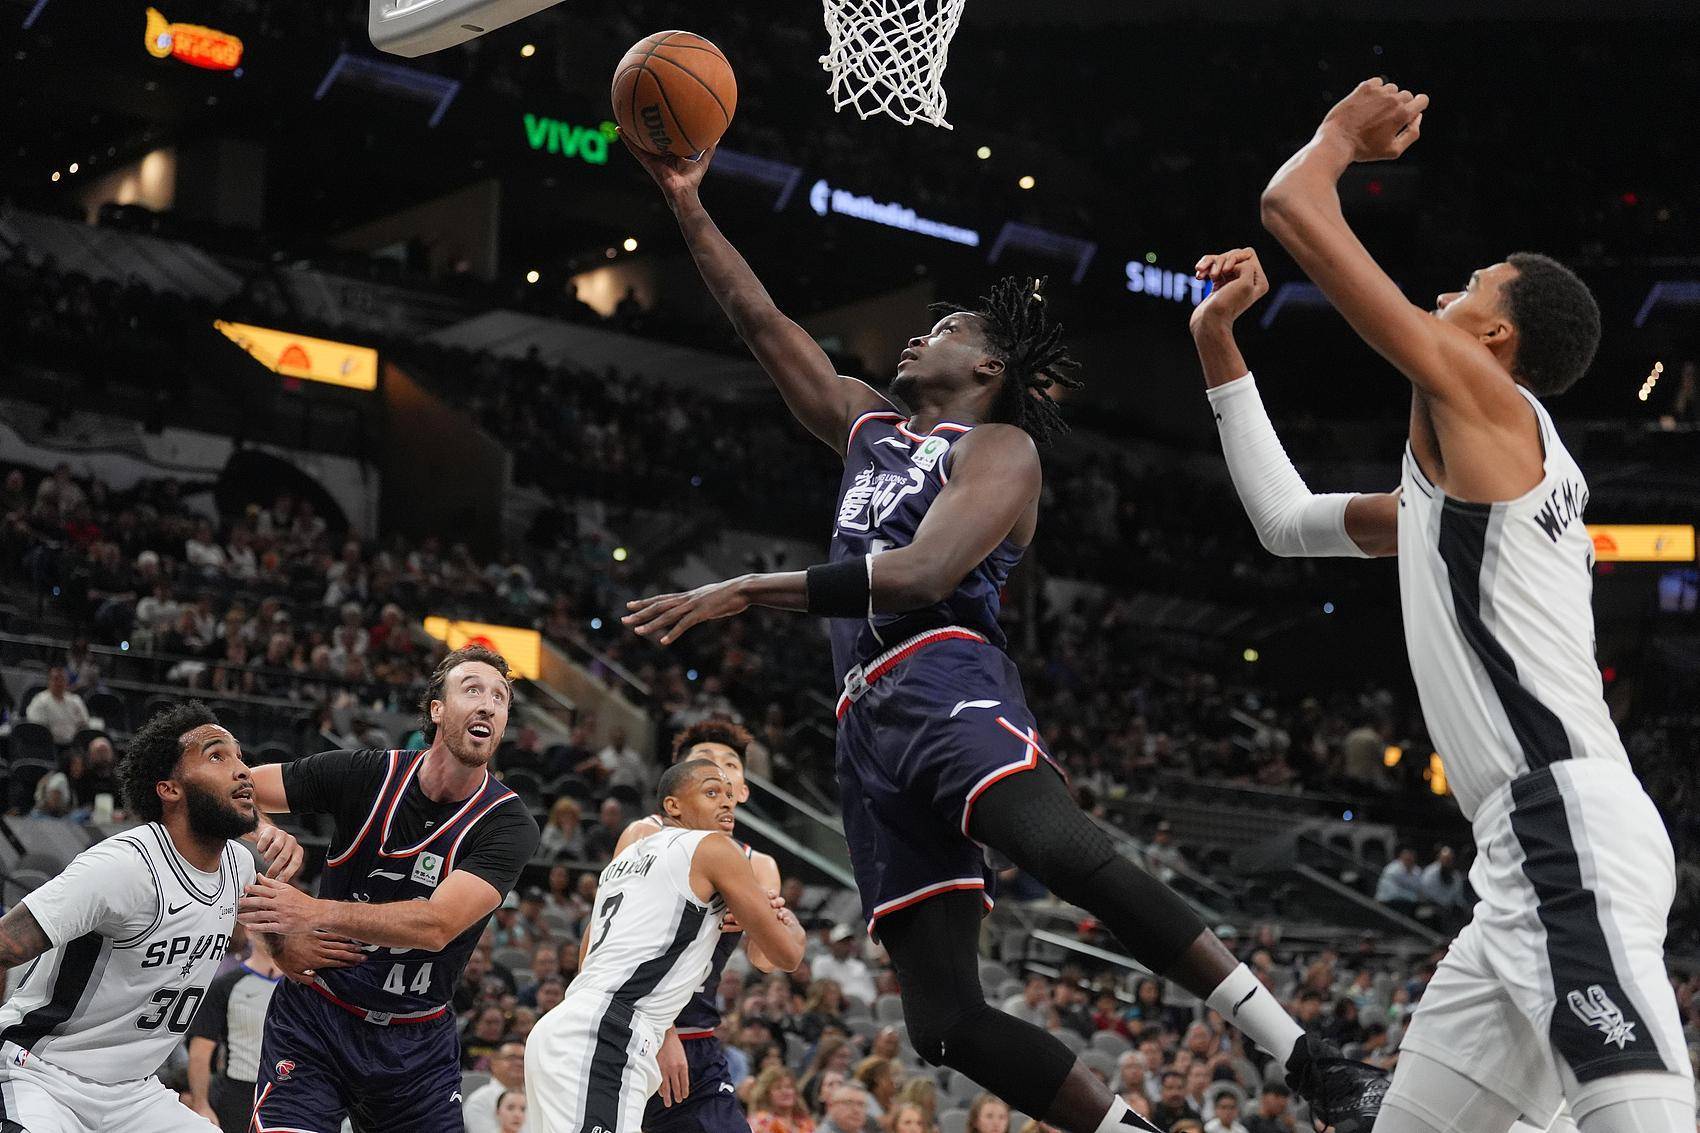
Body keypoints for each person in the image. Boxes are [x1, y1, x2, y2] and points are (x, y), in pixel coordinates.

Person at [620, 141, 1383, 1133]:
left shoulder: (1000, 449)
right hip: (863, 729)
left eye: (940, 328)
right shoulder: (867, 428)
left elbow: (921, 574)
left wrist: (745, 589)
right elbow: (759, 320)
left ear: (986, 365)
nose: (914, 335)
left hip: (941, 674)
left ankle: (1315, 1062)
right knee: (942, 1022)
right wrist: (686, 201)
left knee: (1059, 846)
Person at [1191, 77, 1692, 1133]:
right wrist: (1217, 347)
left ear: (1493, 338)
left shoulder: (1491, 405)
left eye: (1467, 287)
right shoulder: (1466, 486)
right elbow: (1283, 521)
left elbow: (1290, 207)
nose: (1441, 295)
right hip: (1527, 848)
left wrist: (1340, 134)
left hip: (1563, 826)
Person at [239, 645, 542, 1133]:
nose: (488, 705)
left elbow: (436, 925)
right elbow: (233, 791)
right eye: (472, 690)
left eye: (499, 698)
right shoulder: (366, 773)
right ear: (437, 710)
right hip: (318, 1017)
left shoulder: (509, 824)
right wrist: (262, 830)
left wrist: (311, 913)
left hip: (415, 1044)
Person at [0, 701, 300, 1133]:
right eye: (217, 756)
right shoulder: (124, 867)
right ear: (169, 789)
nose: (242, 771)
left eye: (240, 756)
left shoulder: (239, 867)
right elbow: (5, 945)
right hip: (44, 1075)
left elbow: (279, 940)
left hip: (134, 1093)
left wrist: (265, 831)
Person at [525, 759, 805, 1133]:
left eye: (728, 794)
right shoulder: (714, 848)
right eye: (711, 792)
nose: (726, 802)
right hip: (609, 1034)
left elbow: (588, 947)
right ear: (672, 805)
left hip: (566, 1027)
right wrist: (787, 921)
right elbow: (786, 955)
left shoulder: (627, 858)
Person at [613, 720, 784, 1133]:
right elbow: (608, 946)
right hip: (631, 1025)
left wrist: (769, 920)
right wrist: (662, 1031)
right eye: (706, 763)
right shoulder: (645, 833)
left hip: (700, 1039)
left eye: (731, 766)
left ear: (741, 791)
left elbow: (765, 961)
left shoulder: (759, 864)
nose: (720, 771)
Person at [187, 929, 285, 1133]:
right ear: (249, 930)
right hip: (239, 1095)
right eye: (264, 922)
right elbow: (200, 1052)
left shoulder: (305, 986)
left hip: (291, 1092)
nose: (271, 930)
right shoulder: (224, 985)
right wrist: (201, 1104)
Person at [465, 1041, 528, 1133]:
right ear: (493, 1062)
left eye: (523, 1059)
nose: (519, 1063)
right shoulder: (479, 1101)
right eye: (511, 1058)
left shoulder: (537, 1096)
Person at [25, 664, 90, 746]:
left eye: (62, 679)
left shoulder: (75, 700)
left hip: (72, 745)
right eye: (56, 679)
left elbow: (84, 724)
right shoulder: (40, 700)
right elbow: (36, 727)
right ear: (49, 681)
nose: (59, 683)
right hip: (47, 745)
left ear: (67, 682)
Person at [814, 923, 877, 1005]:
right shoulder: (821, 962)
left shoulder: (858, 965)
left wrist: (871, 1001)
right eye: (842, 943)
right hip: (840, 1005)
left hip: (865, 1005)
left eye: (848, 943)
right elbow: (820, 990)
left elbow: (871, 990)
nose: (846, 946)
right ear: (833, 944)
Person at [749, 1066, 816, 1133]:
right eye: (778, 1088)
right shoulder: (759, 1122)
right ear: (766, 1094)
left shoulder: (805, 1122)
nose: (785, 1092)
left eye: (789, 1087)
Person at [1372, 848, 1422, 915]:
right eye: (1407, 859)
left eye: (1411, 859)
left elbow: (1418, 887)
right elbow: (1394, 893)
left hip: (1406, 902)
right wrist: (1414, 896)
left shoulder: (1417, 871)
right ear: (1401, 858)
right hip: (1387, 901)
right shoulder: (1392, 869)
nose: (1409, 861)